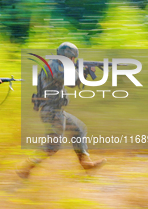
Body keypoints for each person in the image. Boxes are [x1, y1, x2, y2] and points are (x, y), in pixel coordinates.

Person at [16, 42, 106, 179]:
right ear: (68, 57)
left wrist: (84, 72)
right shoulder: (53, 66)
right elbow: (69, 78)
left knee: (79, 129)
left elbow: (72, 83)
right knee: (52, 146)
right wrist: (81, 70)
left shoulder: (58, 65)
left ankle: (86, 163)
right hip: (52, 111)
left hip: (56, 110)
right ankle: (26, 168)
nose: (74, 61)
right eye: (73, 59)